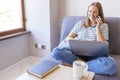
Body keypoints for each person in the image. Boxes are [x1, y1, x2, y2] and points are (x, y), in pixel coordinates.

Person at [52, 2, 117, 75]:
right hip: (77, 54)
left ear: (99, 14)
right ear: (87, 12)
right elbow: (68, 37)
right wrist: (77, 41)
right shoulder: (81, 23)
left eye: (95, 12)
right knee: (56, 52)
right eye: (90, 11)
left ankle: (81, 65)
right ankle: (83, 64)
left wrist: (98, 27)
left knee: (112, 65)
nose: (91, 14)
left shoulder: (104, 26)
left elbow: (103, 44)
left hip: (94, 57)